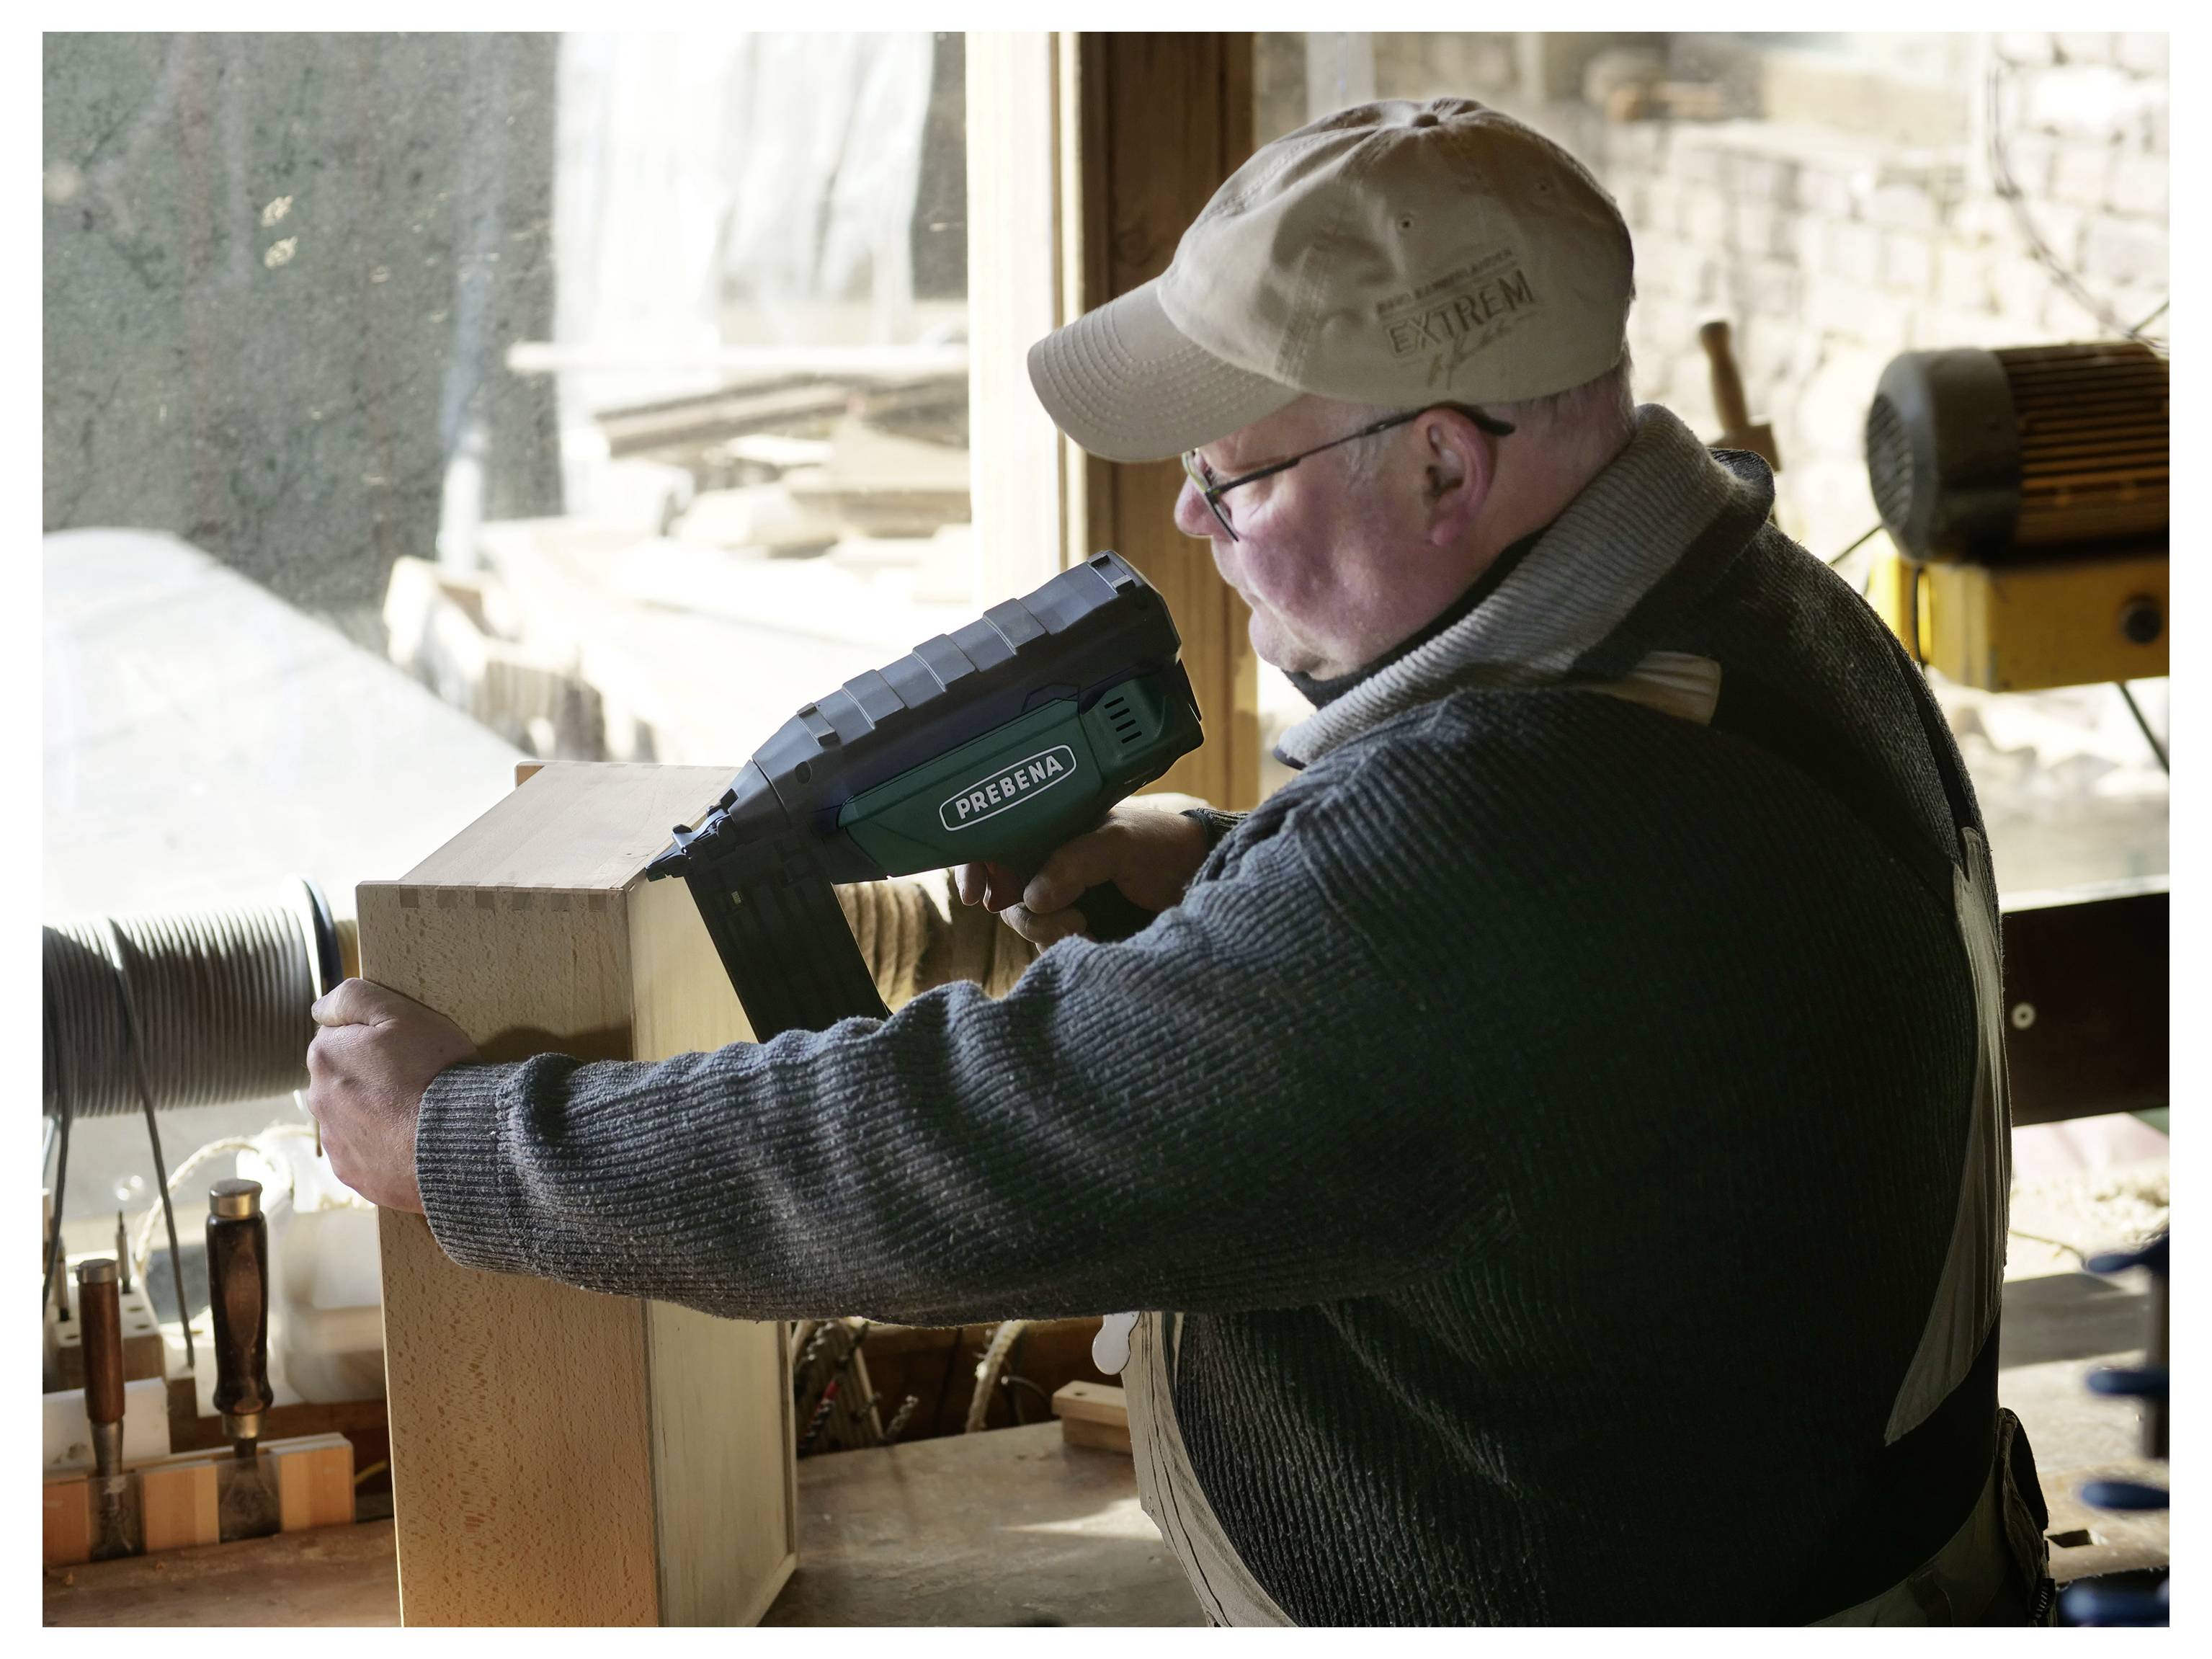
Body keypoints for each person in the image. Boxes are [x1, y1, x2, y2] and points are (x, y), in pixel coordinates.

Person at [306, 99, 2053, 1625]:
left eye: (1235, 471)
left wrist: (465, 1140)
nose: (1195, 525)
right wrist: (1235, 873)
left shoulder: (1472, 856)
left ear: (1445, 458)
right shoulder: (1769, 621)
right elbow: (1612, 1000)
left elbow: (955, 1151)